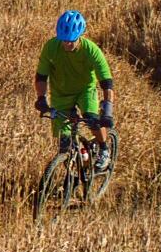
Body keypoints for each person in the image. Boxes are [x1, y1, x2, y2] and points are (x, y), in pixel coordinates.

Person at [34, 9, 114, 167]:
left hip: (85, 91)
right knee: (65, 144)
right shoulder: (50, 47)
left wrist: (108, 110)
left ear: (80, 36)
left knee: (92, 119)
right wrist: (41, 98)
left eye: (71, 40)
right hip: (60, 94)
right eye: (64, 40)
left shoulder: (91, 50)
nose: (67, 44)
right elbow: (41, 77)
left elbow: (106, 82)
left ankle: (104, 149)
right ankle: (75, 173)